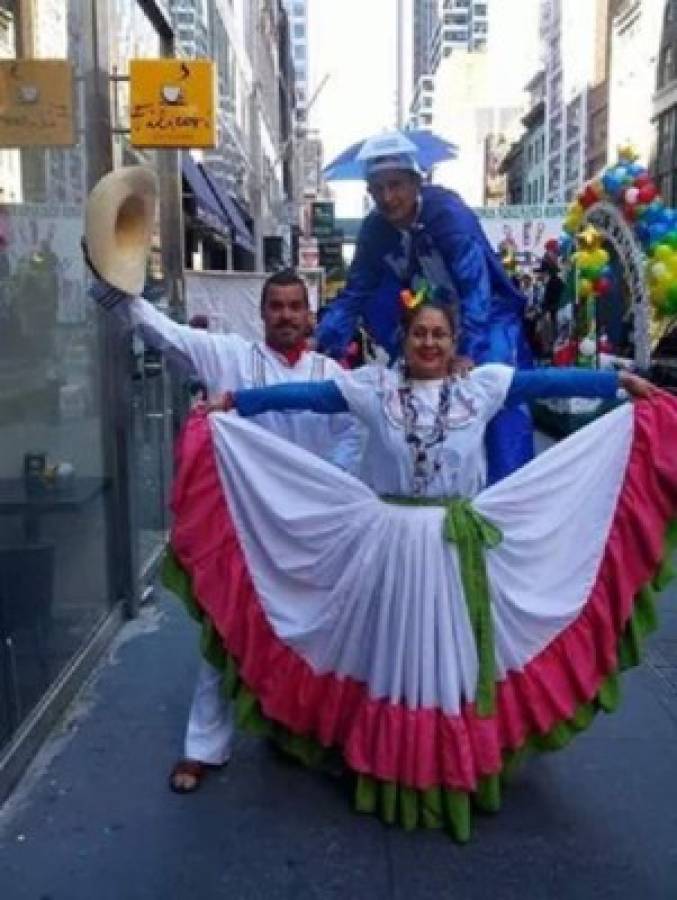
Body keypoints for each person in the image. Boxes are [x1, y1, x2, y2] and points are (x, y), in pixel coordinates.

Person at [165, 296, 676, 842]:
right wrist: (235, 402)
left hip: (453, 550)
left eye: (439, 335)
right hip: (390, 544)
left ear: (454, 342)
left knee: (449, 662)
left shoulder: (481, 388)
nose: (429, 344)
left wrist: (618, 387)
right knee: (392, 656)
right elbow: (308, 396)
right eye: (419, 334)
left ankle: (450, 771)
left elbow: (541, 381)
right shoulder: (373, 388)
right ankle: (390, 768)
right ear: (403, 340)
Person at [89, 267, 364, 794]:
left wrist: (325, 485)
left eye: (294, 306)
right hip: (245, 532)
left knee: (313, 639)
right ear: (261, 314)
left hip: (310, 536)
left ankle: (304, 733)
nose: (285, 316)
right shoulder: (232, 357)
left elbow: (355, 433)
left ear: (311, 315)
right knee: (224, 636)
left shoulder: (333, 374)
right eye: (276, 306)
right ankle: (203, 748)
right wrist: (108, 278)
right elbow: (159, 331)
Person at [313, 146, 534, 484]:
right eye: (378, 189)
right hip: (427, 322)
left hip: (486, 321)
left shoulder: (450, 217)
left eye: (396, 184)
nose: (388, 198)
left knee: (498, 401)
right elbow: (356, 291)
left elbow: (477, 291)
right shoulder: (374, 229)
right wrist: (320, 343)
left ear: (417, 183)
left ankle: (508, 501)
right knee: (402, 406)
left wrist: (467, 353)